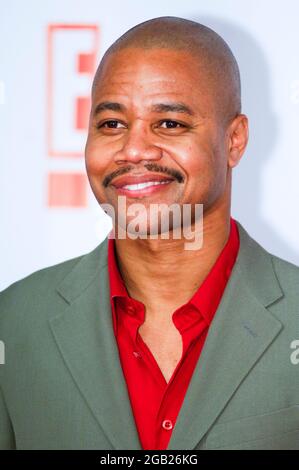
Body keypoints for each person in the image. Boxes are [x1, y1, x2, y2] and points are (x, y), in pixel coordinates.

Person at [0, 16, 298, 450]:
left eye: (169, 124)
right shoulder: (15, 322)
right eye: (112, 125)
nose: (133, 149)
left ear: (234, 140)